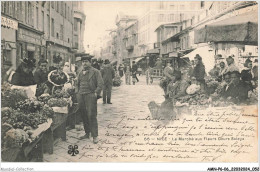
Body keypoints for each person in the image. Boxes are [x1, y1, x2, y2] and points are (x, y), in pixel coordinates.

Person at [75, 56, 103, 144]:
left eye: (86, 61)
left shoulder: (96, 72)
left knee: (91, 115)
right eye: (83, 62)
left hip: (90, 95)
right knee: (83, 114)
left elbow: (100, 83)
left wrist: (96, 93)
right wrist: (77, 92)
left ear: (90, 62)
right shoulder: (80, 72)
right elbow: (77, 83)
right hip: (81, 96)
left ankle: (95, 136)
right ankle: (87, 133)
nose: (84, 63)